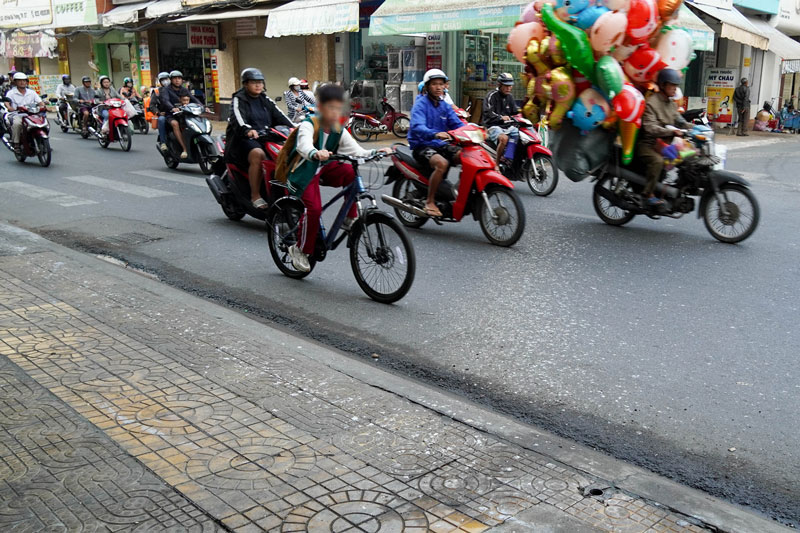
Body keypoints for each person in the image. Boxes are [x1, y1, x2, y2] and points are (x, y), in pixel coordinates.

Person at [284, 84, 392, 272]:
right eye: (331, 108)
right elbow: (303, 145)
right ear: (320, 107)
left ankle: (349, 218)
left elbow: (356, 151)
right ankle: (299, 249)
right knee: (314, 210)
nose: (335, 112)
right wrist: (315, 153)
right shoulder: (309, 124)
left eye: (338, 108)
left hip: (323, 168)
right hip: (305, 171)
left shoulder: (338, 130)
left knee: (350, 172)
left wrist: (376, 152)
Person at [225, 68, 294, 208]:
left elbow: (280, 116)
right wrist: (247, 130)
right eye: (253, 82)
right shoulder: (239, 98)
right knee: (258, 154)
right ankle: (255, 196)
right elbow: (237, 118)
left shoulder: (265, 99)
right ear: (245, 84)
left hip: (265, 137)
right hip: (243, 139)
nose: (258, 85)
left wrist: (295, 128)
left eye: (260, 82)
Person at [408, 68, 464, 217]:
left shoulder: (444, 106)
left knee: (465, 156)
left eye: (441, 84)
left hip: (440, 144)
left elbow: (458, 124)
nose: (438, 87)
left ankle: (458, 192)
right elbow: (417, 126)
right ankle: (430, 201)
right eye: (434, 84)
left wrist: (474, 130)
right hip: (422, 145)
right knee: (442, 164)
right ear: (427, 86)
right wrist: (435, 134)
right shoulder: (420, 104)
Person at [636, 68, 690, 207]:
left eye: (676, 85)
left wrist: (696, 128)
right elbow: (650, 128)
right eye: (672, 85)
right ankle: (648, 194)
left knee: (689, 155)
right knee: (658, 161)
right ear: (663, 85)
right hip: (648, 145)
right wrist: (671, 132)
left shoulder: (671, 103)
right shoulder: (651, 103)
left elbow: (680, 121)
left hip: (664, 145)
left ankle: (672, 188)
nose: (675, 89)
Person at [160, 70, 204, 158]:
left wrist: (202, 106)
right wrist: (172, 108)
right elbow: (166, 101)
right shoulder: (166, 90)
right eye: (175, 78)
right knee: (175, 124)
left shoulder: (184, 90)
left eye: (179, 78)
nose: (177, 80)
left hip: (185, 114)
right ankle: (185, 149)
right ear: (171, 80)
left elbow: (193, 98)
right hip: (172, 115)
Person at [4, 73, 45, 154]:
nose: (22, 82)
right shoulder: (11, 93)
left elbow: (40, 102)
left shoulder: (32, 92)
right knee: (17, 124)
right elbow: (6, 102)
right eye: (19, 81)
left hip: (32, 114)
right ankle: (16, 144)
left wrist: (44, 106)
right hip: (17, 114)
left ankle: (42, 140)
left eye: (24, 80)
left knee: (43, 122)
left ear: (27, 82)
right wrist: (9, 107)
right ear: (15, 82)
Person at [484, 73, 520, 165]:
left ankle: (509, 158)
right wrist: (501, 117)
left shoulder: (510, 97)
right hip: (493, 125)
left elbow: (515, 112)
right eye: (506, 86)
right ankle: (496, 164)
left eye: (510, 86)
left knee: (520, 135)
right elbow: (488, 112)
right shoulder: (491, 95)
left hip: (508, 126)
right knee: (504, 138)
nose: (509, 88)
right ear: (499, 84)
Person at [149, 72, 171, 149]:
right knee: (161, 120)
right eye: (163, 80)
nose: (165, 81)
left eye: (167, 79)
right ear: (160, 82)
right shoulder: (157, 92)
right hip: (164, 114)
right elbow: (152, 105)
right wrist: (158, 113)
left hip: (176, 113)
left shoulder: (175, 89)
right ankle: (163, 142)